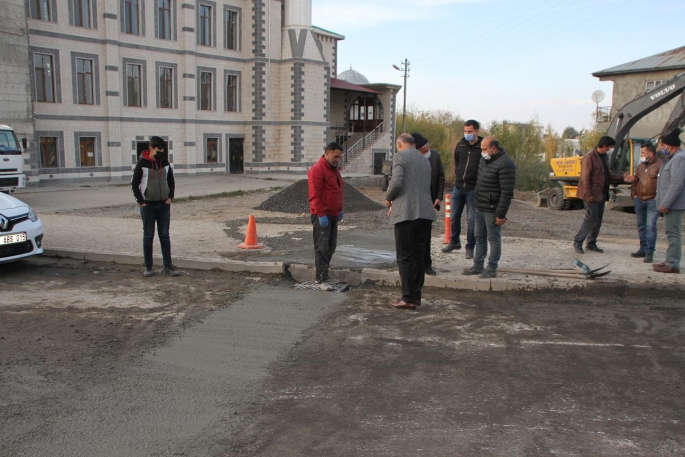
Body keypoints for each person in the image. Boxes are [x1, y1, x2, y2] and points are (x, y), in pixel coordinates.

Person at [385, 133, 436, 309]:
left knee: (405, 256)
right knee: (418, 256)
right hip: (425, 213)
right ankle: (415, 296)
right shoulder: (425, 160)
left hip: (406, 213)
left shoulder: (400, 156)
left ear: (400, 145)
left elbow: (397, 181)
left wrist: (389, 197)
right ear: (414, 144)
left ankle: (407, 297)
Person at [462, 136, 516, 278]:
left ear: (494, 148)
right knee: (479, 236)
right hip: (480, 205)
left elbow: (507, 192)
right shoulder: (484, 160)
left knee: (493, 238)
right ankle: (477, 265)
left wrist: (500, 214)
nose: (482, 152)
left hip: (493, 208)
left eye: (485, 149)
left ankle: (492, 268)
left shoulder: (505, 164)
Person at [131, 136, 180, 277]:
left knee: (164, 235)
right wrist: (141, 202)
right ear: (151, 149)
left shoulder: (164, 162)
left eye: (163, 149)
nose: (161, 152)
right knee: (148, 236)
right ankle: (148, 267)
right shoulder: (142, 164)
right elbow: (134, 185)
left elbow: (171, 182)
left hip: (164, 205)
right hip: (148, 206)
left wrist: (170, 197)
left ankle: (168, 266)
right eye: (158, 149)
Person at [572, 136, 624, 254]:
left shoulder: (604, 157)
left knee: (598, 220)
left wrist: (622, 177)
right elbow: (585, 177)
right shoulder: (589, 157)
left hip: (601, 193)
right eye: (610, 147)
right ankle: (578, 242)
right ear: (604, 146)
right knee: (590, 218)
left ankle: (591, 243)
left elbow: (607, 175)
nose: (610, 150)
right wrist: (588, 194)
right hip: (591, 194)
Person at [442, 119, 482, 259]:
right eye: (465, 131)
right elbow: (457, 163)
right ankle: (454, 242)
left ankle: (470, 247)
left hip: (473, 189)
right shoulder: (460, 145)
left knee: (472, 220)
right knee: (453, 217)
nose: (467, 134)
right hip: (458, 187)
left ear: (477, 131)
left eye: (470, 131)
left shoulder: (482, 147)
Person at [308, 142, 344, 290]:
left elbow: (336, 191)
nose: (337, 159)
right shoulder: (317, 170)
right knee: (322, 247)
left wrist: (339, 209)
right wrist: (320, 214)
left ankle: (325, 275)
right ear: (327, 153)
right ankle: (321, 278)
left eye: (339, 157)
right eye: (335, 156)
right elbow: (314, 195)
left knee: (331, 246)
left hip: (333, 214)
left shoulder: (334, 170)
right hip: (322, 215)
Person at [411, 132, 445, 276]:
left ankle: (427, 264)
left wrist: (438, 197)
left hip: (430, 202)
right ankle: (413, 264)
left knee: (426, 235)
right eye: (424, 151)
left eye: (428, 149)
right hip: (413, 204)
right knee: (412, 236)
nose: (427, 153)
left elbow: (441, 177)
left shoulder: (435, 156)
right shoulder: (411, 160)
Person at [653, 128, 685, 274]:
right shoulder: (671, 159)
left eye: (662, 145)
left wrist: (665, 203)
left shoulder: (679, 159)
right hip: (670, 204)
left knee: (673, 233)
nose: (660, 148)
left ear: (669, 146)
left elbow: (676, 185)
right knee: (670, 232)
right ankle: (669, 260)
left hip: (674, 205)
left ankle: (673, 263)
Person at [623, 143, 662, 264]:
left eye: (643, 153)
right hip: (639, 200)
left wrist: (658, 198)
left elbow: (663, 183)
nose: (641, 156)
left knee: (651, 226)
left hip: (652, 201)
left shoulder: (661, 165)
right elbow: (635, 181)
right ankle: (642, 249)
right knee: (641, 225)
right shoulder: (640, 166)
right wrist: (634, 195)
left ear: (651, 153)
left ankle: (649, 252)